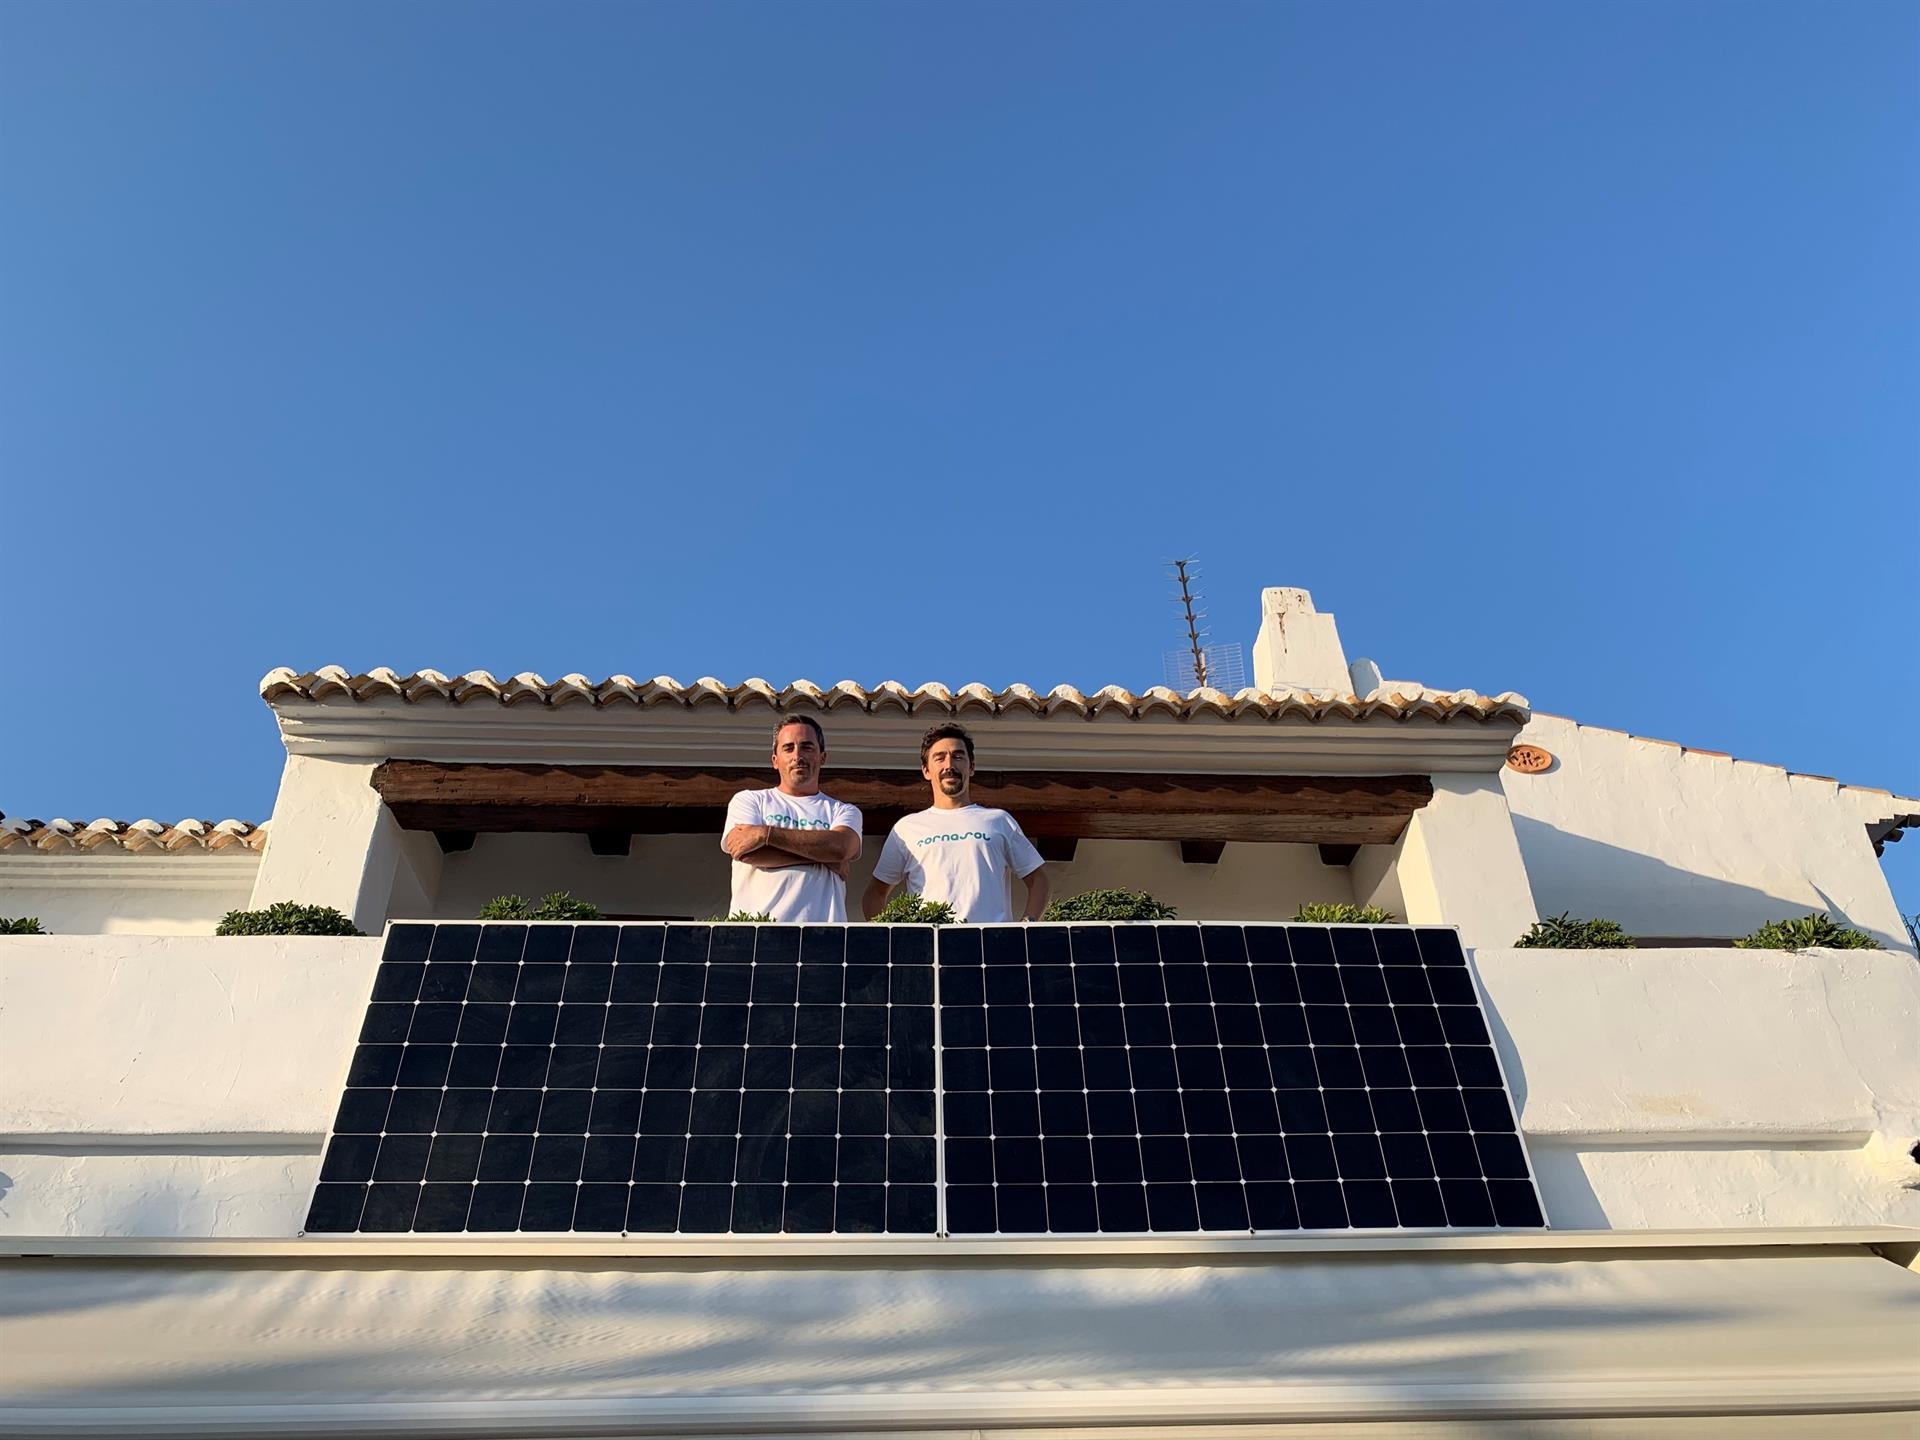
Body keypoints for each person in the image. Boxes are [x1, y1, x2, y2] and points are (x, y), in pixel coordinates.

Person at [863, 722, 1051, 923]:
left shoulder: (999, 821)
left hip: (992, 950)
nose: (949, 766)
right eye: (940, 758)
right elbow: (875, 893)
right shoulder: (907, 828)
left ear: (971, 767)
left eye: (958, 756)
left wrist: (1026, 927)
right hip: (931, 950)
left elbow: (1039, 880)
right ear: (926, 770)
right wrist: (896, 943)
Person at [721, 715, 863, 922]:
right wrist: (826, 858)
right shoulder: (749, 800)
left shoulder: (843, 810)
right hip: (756, 938)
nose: (798, 756)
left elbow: (840, 847)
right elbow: (745, 852)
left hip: (824, 939)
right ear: (775, 761)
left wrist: (764, 834)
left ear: (822, 758)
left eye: (807, 747)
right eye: (788, 748)